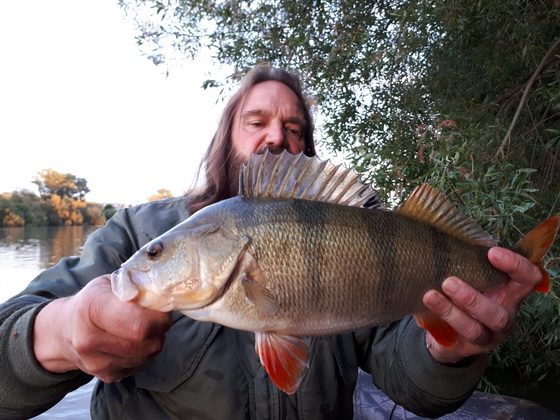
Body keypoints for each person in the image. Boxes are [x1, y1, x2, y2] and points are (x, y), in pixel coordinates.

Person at [0, 65, 543, 420]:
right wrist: (60, 331)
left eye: (295, 129)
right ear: (225, 137)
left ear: (305, 149)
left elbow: (416, 388)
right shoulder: (138, 231)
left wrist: (446, 352)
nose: (275, 137)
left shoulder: (358, 226)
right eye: (255, 120)